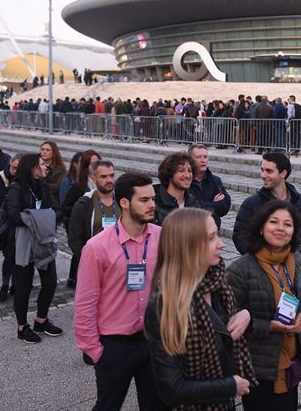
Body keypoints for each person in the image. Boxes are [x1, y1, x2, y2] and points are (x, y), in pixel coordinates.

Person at [144, 208, 257, 410]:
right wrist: (229, 386)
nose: (221, 244)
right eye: (211, 238)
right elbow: (172, 389)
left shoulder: (217, 281)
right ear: (187, 246)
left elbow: (227, 330)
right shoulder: (164, 305)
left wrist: (247, 315)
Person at [74, 173, 161, 409]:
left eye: (152, 198)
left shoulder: (161, 237)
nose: (152, 204)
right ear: (124, 202)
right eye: (144, 200)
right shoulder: (96, 247)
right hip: (114, 346)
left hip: (151, 340)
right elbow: (85, 303)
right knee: (108, 405)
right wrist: (95, 351)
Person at [228, 200, 301, 410]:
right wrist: (269, 326)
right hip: (257, 366)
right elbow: (228, 323)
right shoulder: (240, 269)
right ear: (261, 228)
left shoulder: (296, 260)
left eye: (287, 224)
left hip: (289, 358)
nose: (281, 229)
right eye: (274, 222)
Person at [4, 153, 62, 343]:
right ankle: (22, 327)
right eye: (41, 164)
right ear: (31, 168)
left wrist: (39, 217)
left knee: (51, 281)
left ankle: (41, 320)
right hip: (22, 244)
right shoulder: (16, 188)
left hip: (43, 241)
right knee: (23, 286)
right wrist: (39, 217)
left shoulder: (43, 187)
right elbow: (12, 216)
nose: (45, 167)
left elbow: (56, 211)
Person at [233, 152, 301, 255]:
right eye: (262, 170)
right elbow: (239, 236)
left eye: (269, 171)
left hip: (293, 266)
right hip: (262, 267)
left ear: (283, 173)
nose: (263, 175)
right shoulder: (251, 203)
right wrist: (261, 256)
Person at [67, 160, 117, 289]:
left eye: (111, 175)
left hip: (119, 264)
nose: (109, 180)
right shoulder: (84, 203)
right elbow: (74, 238)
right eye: (103, 176)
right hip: (94, 265)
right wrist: (87, 260)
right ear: (94, 178)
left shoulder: (123, 201)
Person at [153, 152, 203, 226]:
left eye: (189, 171)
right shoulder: (154, 203)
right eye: (181, 170)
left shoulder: (194, 203)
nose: (187, 175)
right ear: (169, 174)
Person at [188, 144, 231, 228]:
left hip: (212, 229)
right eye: (198, 157)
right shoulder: (186, 181)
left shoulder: (215, 180)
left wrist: (203, 205)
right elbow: (190, 209)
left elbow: (225, 205)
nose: (203, 160)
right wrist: (214, 204)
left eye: (205, 157)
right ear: (190, 160)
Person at [0, 154, 21, 303]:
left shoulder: (24, 182)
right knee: (9, 258)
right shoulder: (2, 177)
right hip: (7, 225)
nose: (14, 171)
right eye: (12, 167)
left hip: (20, 225)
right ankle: (4, 285)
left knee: (20, 259)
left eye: (18, 169)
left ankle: (16, 285)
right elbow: (4, 196)